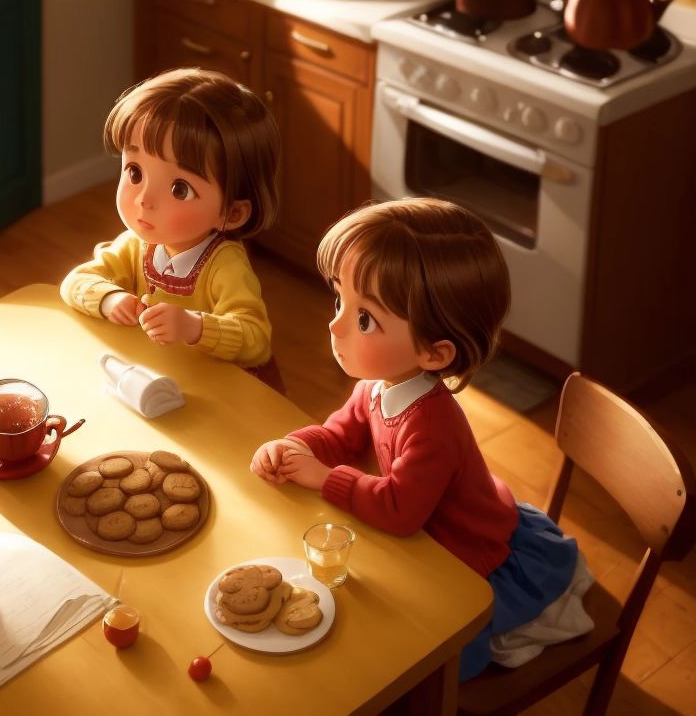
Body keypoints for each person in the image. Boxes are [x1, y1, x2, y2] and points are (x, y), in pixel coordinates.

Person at [250, 198, 594, 679]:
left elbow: (399, 509)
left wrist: (325, 478)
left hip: (467, 547)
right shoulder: (376, 384)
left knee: (423, 659)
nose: (335, 324)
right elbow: (340, 433)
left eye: (364, 318)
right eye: (338, 300)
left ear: (435, 353)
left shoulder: (433, 425)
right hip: (422, 528)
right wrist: (296, 447)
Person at [60, 67, 284, 391]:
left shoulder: (226, 266)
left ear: (232, 213)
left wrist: (194, 327)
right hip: (159, 378)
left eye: (179, 189)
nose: (144, 200)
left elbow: (255, 339)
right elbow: (75, 282)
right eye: (135, 172)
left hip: (221, 395)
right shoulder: (136, 245)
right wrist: (109, 298)